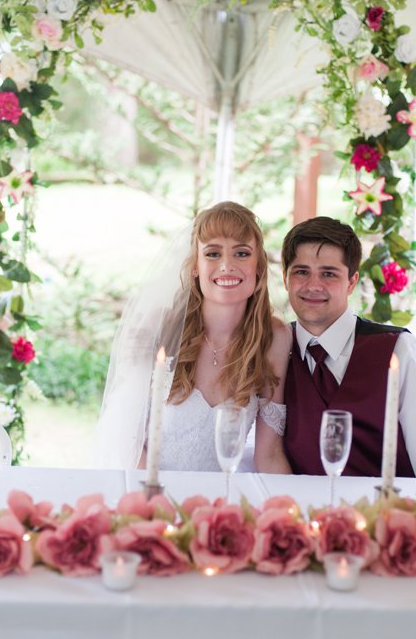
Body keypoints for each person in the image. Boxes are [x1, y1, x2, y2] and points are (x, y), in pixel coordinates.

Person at [94, 202, 292, 473]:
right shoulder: (158, 327)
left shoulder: (274, 339)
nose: (227, 265)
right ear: (195, 266)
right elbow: (126, 443)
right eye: (212, 254)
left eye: (241, 253)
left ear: (258, 265)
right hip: (149, 487)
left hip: (223, 495)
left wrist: (291, 501)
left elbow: (269, 455)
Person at [280, 216, 416, 478]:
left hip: (393, 503)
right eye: (301, 272)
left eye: (328, 274)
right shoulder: (273, 352)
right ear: (285, 279)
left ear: (351, 282)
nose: (314, 285)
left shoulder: (400, 351)